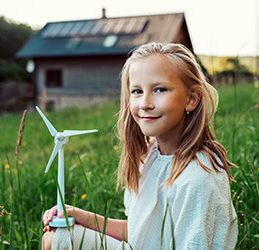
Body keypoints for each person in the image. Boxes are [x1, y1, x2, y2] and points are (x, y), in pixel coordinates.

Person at [42, 42, 238, 250]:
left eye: (159, 89)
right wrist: (82, 216)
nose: (145, 103)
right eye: (137, 91)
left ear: (191, 99)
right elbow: (140, 233)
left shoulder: (198, 177)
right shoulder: (151, 157)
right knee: (57, 235)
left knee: (57, 241)